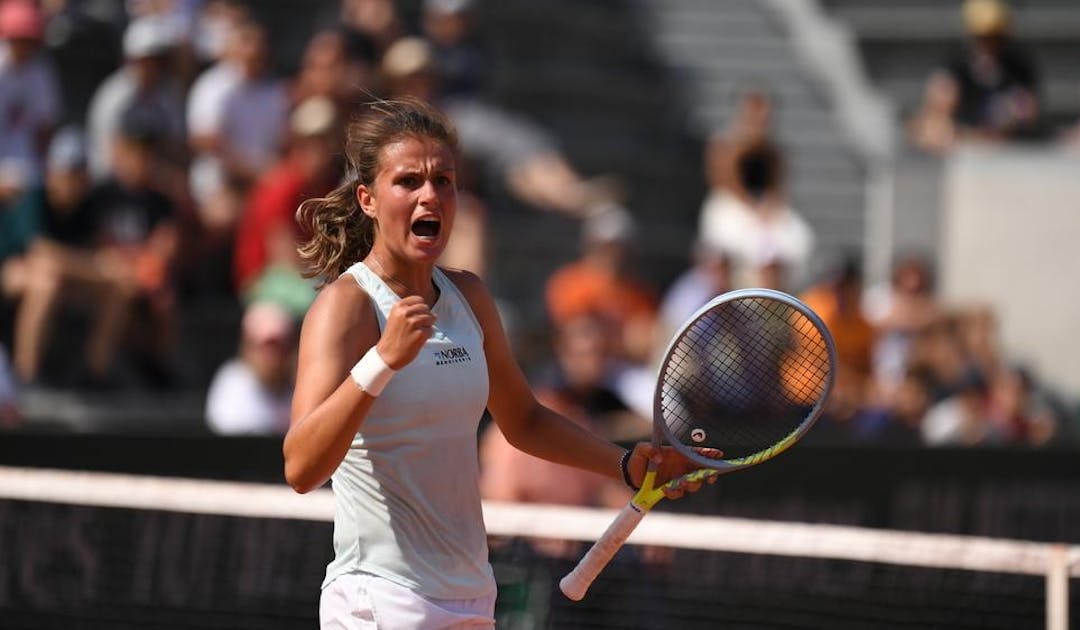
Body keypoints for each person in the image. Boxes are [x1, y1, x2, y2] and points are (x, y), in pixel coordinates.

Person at [282, 98, 713, 628]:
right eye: (409, 182)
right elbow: (301, 467)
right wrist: (380, 362)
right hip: (381, 601)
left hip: (471, 598)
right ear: (368, 199)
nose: (430, 195)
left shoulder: (469, 297)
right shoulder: (346, 306)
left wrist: (627, 465)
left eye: (444, 180)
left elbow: (524, 420)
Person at [205, 301, 296, 435]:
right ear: (248, 348)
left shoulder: (300, 383)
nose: (273, 356)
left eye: (281, 347)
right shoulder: (232, 381)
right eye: (266, 347)